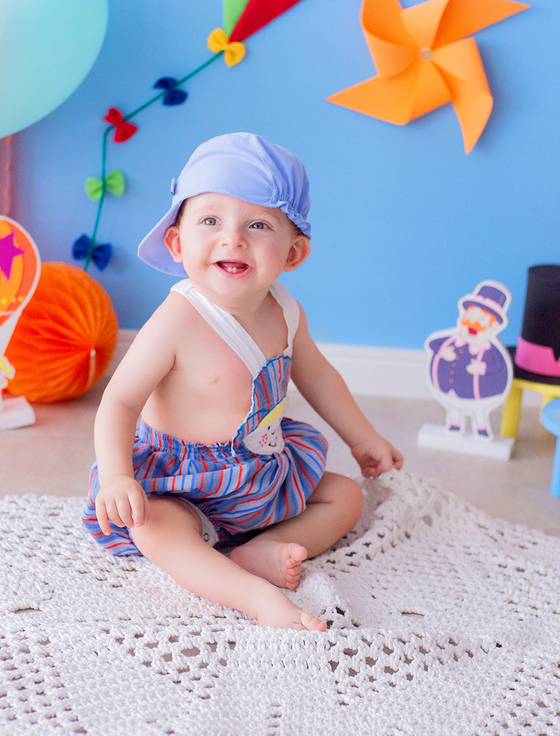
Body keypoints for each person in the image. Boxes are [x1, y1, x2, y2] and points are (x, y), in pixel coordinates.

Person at [82, 133, 403, 631]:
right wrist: (118, 475)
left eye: (257, 225)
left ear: (293, 253)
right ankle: (253, 595)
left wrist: (364, 439)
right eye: (210, 220)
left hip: (259, 472)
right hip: (183, 483)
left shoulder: (287, 312)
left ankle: (264, 549)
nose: (232, 239)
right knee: (154, 527)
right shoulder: (178, 320)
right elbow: (120, 401)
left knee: (346, 496)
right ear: (177, 240)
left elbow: (318, 377)